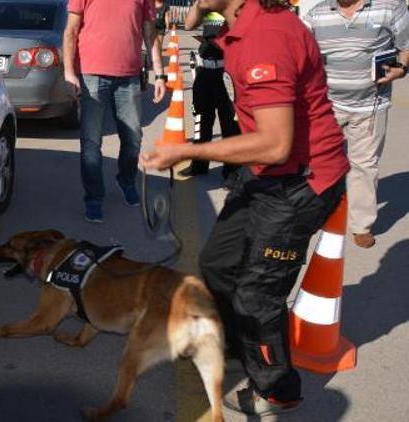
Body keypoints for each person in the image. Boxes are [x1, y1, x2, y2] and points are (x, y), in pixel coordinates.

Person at [140, 0, 349, 416]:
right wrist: (197, 14)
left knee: (257, 294)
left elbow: (275, 143)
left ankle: (276, 389)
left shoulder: (266, 35)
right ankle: (236, 344)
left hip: (300, 182)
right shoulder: (239, 23)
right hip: (267, 173)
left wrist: (186, 149)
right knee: (218, 263)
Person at [302, 0, 409, 248]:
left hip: (370, 105)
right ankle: (316, 211)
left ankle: (361, 225)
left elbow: (406, 46)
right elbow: (298, 50)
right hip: (327, 104)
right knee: (318, 159)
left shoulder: (390, 8)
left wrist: (401, 69)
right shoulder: (316, 14)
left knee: (364, 165)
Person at [63, 0, 167, 223]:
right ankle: (93, 198)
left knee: (133, 138)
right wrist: (69, 71)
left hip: (128, 77)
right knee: (91, 143)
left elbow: (150, 34)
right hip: (92, 75)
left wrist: (159, 73)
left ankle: (126, 180)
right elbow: (71, 30)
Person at [180, 4, 241, 179]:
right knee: (201, 120)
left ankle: (232, 171)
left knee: (230, 125)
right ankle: (199, 165)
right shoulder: (207, 4)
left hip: (228, 72)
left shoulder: (238, 5)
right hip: (204, 70)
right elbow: (188, 25)